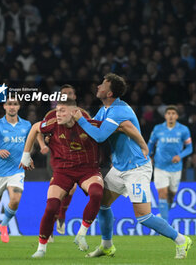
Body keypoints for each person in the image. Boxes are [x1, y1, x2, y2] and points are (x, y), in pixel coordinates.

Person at [73, 73, 192, 260]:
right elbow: (91, 128)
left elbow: (99, 136)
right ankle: (107, 246)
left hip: (136, 168)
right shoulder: (105, 109)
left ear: (110, 92)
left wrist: (80, 119)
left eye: (102, 85)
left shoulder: (118, 110)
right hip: (120, 167)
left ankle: (181, 240)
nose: (98, 87)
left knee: (143, 216)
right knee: (102, 204)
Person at [19, 99, 104, 258]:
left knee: (97, 193)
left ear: (74, 112)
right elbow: (35, 127)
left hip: (88, 170)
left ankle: (81, 233)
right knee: (51, 207)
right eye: (57, 111)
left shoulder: (90, 124)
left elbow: (116, 130)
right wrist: (25, 155)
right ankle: (41, 249)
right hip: (63, 171)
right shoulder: (53, 124)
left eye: (62, 111)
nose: (58, 114)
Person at [38, 84, 91, 237]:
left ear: (74, 97)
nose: (66, 96)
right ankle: (53, 222)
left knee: (72, 188)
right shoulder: (51, 115)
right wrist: (43, 143)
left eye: (69, 93)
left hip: (77, 158)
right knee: (56, 191)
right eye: (63, 94)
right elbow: (38, 130)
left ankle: (60, 215)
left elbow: (92, 134)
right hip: (57, 157)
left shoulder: (84, 115)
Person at [0, 97, 31, 246]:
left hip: (17, 170)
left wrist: (28, 156)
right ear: (4, 106)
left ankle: (3, 225)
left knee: (15, 200)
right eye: (9, 104)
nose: (12, 107)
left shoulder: (26, 125)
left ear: (19, 107)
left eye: (15, 104)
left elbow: (31, 142)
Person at [148, 105, 193, 221]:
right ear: (165, 116)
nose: (171, 116)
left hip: (176, 168)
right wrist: (149, 157)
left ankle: (162, 215)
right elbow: (150, 145)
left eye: (173, 113)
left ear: (177, 116)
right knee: (162, 194)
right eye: (169, 113)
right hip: (160, 167)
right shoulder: (158, 129)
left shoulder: (183, 130)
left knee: (171, 196)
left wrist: (180, 156)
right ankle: (165, 225)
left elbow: (189, 148)